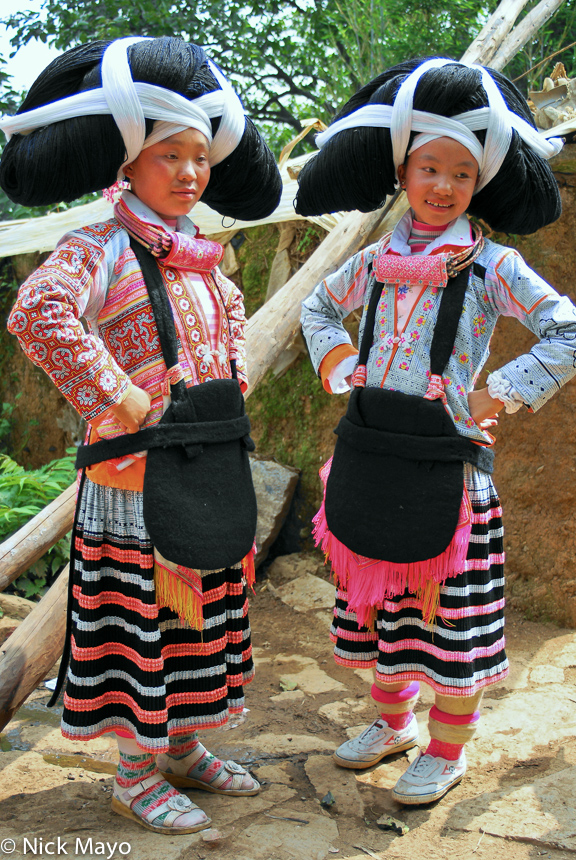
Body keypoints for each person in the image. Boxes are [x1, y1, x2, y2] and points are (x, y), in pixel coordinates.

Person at [1, 36, 282, 833]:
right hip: (130, 487)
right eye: (170, 156)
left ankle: (184, 750)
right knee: (141, 627)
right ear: (126, 165)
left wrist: (227, 383)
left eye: (200, 157)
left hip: (203, 471)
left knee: (202, 618)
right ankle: (132, 774)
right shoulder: (99, 247)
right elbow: (38, 314)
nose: (191, 173)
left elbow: (229, 332)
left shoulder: (202, 261)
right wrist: (122, 395)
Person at [296, 57, 576, 805]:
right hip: (369, 459)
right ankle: (392, 725)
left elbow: (567, 330)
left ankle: (446, 751)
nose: (443, 185)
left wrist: (504, 392)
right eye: (429, 167)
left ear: (478, 181)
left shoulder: (494, 267)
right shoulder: (375, 263)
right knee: (378, 616)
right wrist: (336, 364)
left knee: (452, 628)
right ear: (404, 171)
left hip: (451, 477)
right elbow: (317, 310)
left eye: (460, 171)